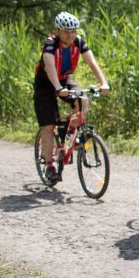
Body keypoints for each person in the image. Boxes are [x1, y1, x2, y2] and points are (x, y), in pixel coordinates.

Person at [33, 11, 110, 183]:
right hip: (46, 83)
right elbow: (50, 66)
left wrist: (103, 82)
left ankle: (68, 136)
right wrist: (58, 88)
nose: (71, 35)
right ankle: (50, 166)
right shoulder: (50, 44)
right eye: (67, 31)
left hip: (64, 79)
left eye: (74, 31)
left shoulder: (78, 42)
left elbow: (91, 62)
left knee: (82, 100)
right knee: (48, 125)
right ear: (58, 31)